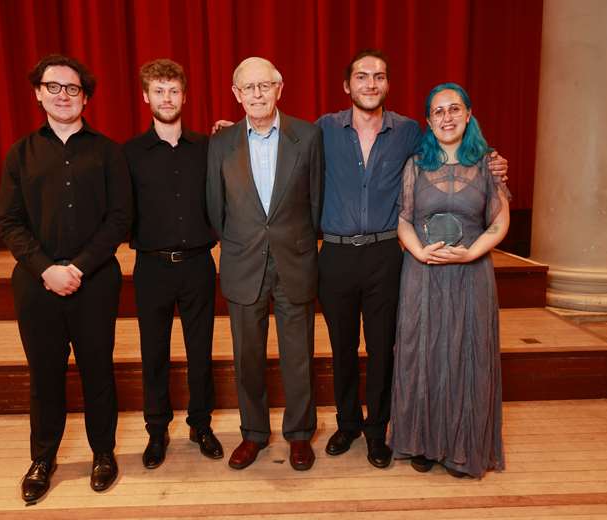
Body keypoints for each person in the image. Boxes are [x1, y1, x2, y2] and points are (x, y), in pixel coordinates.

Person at [316, 49, 508, 469]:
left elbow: (461, 154)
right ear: (346, 85)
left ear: (387, 84)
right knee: (342, 347)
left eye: (379, 76)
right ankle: (347, 423)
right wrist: (232, 130)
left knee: (384, 347)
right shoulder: (323, 129)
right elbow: (284, 145)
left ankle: (376, 431)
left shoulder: (406, 131)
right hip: (335, 253)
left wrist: (493, 161)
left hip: (386, 254)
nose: (371, 84)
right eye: (362, 77)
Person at [0, 54, 132, 503]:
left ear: (86, 97)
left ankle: (103, 454)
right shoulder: (21, 153)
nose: (62, 95)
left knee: (98, 372)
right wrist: (46, 269)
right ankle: (43, 458)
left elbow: (119, 219)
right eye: (53, 87)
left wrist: (78, 268)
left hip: (95, 282)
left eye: (72, 89)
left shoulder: (108, 151)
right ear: (38, 92)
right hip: (37, 285)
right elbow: (10, 222)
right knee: (45, 375)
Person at [206, 57, 323, 471]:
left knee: (298, 356)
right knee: (247, 358)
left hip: (295, 261)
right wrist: (241, 242)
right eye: (248, 88)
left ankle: (299, 434)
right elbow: (214, 209)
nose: (257, 94)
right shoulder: (220, 143)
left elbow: (317, 201)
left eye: (264, 86)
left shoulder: (308, 137)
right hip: (242, 263)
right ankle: (253, 434)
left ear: (279, 88)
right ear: (237, 94)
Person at [389, 83, 509, 479]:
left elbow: (499, 220)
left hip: (471, 273)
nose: (447, 117)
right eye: (438, 111)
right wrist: (418, 251)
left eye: (454, 109)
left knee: (466, 356)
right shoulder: (415, 164)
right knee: (422, 356)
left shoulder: (488, 164)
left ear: (469, 114)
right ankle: (422, 442)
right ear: (428, 120)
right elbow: (403, 219)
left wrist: (474, 252)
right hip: (422, 274)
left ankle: (462, 449)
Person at [123, 59, 222, 470]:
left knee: (201, 351)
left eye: (173, 91)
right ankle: (156, 429)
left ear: (185, 95)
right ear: (146, 97)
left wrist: (231, 135)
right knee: (154, 352)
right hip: (152, 267)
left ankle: (200, 424)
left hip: (198, 263)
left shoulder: (208, 148)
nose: (167, 98)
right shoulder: (128, 153)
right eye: (158, 91)